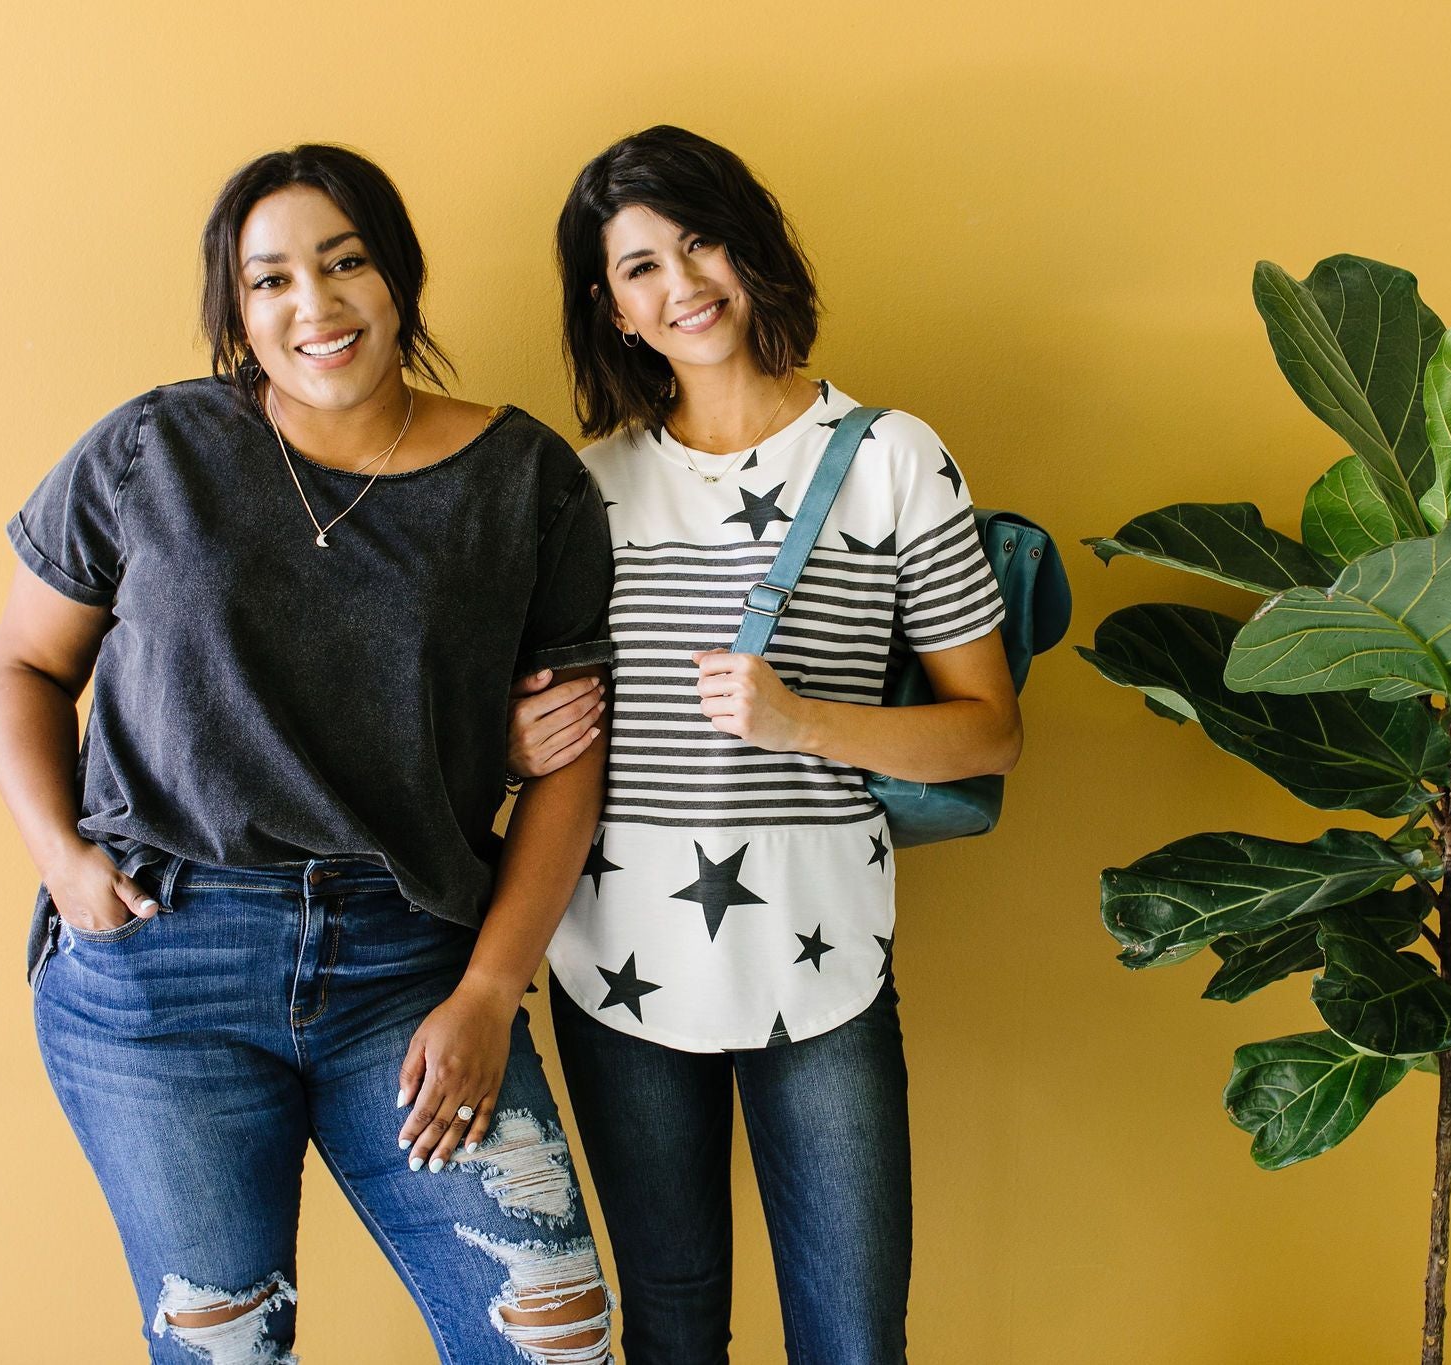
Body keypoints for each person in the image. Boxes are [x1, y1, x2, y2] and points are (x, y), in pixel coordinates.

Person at [0, 144, 615, 1364]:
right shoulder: (153, 448)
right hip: (164, 961)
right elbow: (23, 667)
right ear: (236, 310)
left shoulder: (526, 480)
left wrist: (489, 991)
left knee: (552, 1333)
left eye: (344, 262)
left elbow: (570, 760)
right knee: (226, 1348)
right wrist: (60, 857)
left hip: (411, 963)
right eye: (269, 280)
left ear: (398, 276)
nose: (313, 305)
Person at [509, 125, 1023, 1363]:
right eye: (639, 267)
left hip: (822, 953)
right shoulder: (581, 489)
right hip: (615, 959)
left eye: (700, 243)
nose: (681, 285)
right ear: (611, 309)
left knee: (852, 1339)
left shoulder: (892, 459)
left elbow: (990, 735)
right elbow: (531, 729)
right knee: (670, 1327)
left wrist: (801, 721)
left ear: (751, 249)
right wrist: (513, 747)